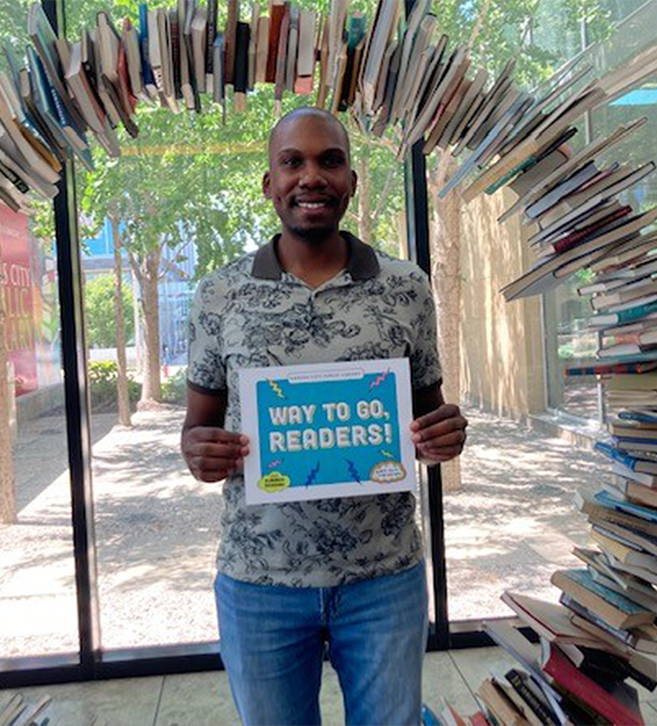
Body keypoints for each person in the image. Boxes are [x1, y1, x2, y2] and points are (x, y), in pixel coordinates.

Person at [181, 107, 468, 726]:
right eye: (293, 162)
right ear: (269, 183)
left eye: (329, 161)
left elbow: (427, 411)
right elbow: (197, 427)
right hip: (260, 581)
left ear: (351, 180)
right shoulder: (219, 294)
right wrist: (198, 451)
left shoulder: (405, 287)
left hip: (382, 579)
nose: (311, 176)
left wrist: (444, 433)